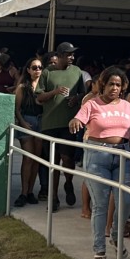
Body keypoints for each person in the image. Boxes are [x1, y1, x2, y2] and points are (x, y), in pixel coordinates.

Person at [70, 67, 130, 259]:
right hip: (97, 156)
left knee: (126, 201)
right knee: (100, 205)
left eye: (118, 85)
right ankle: (99, 248)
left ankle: (117, 238)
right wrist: (75, 121)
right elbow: (79, 118)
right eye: (111, 84)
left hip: (123, 155)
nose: (114, 88)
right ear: (103, 85)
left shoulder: (127, 106)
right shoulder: (92, 104)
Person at [37, 43, 85, 211]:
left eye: (73, 54)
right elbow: (40, 97)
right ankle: (54, 197)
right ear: (59, 55)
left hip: (68, 124)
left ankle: (69, 183)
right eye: (68, 54)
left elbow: (84, 93)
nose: (71, 57)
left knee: (67, 159)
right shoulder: (47, 72)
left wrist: (76, 99)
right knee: (53, 162)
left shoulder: (77, 72)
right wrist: (55, 92)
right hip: (49, 124)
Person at [12, 57, 48, 207]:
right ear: (28, 70)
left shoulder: (44, 86)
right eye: (34, 67)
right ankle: (24, 192)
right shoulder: (22, 87)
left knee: (36, 159)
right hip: (27, 120)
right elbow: (17, 108)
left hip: (41, 122)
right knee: (28, 158)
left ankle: (31, 191)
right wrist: (22, 123)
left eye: (40, 67)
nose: (37, 70)